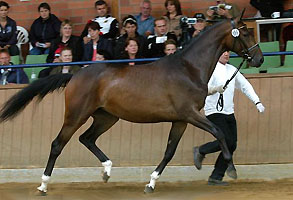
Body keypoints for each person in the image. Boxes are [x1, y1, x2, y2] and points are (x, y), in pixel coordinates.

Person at [193, 51, 265, 186]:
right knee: (227, 141)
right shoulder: (211, 69)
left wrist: (257, 101)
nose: (226, 54)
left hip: (229, 111)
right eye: (223, 52)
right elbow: (204, 89)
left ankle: (216, 176)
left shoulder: (232, 70)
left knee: (232, 145)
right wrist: (216, 89)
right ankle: (201, 150)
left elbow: (245, 86)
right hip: (214, 111)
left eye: (228, 52)